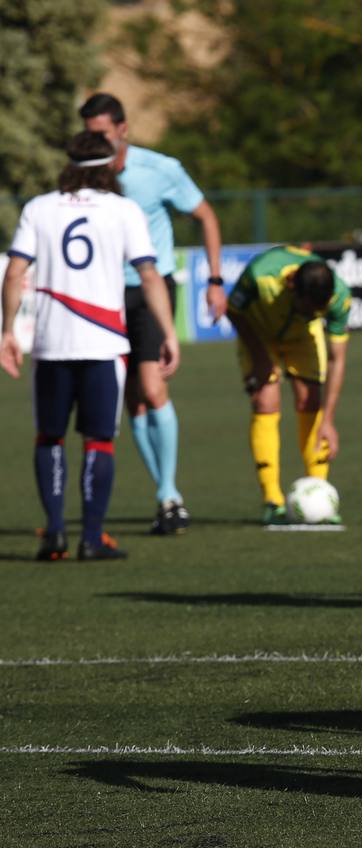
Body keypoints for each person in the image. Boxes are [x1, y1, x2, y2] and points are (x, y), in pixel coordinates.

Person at [2, 131, 180, 560]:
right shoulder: (124, 210)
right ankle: (92, 537)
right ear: (110, 165)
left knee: (50, 437)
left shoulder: (39, 208)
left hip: (52, 343)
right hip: (103, 344)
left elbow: (14, 273)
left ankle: (56, 534)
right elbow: (150, 274)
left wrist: (7, 331)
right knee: (98, 441)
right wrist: (168, 332)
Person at [79, 93, 225, 536]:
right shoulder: (84, 174)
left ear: (122, 129)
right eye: (88, 136)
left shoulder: (159, 169)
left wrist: (215, 281)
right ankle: (166, 496)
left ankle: (169, 493)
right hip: (102, 294)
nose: (95, 143)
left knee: (150, 384)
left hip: (150, 289)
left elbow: (206, 215)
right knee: (130, 400)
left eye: (102, 134)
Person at [226, 245, 352, 524]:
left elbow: (336, 360)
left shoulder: (339, 297)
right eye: (307, 311)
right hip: (259, 334)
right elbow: (233, 309)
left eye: (316, 315)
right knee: (265, 401)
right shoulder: (260, 276)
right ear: (292, 287)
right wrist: (259, 355)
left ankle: (319, 494)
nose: (311, 316)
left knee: (310, 401)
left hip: (301, 340)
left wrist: (329, 419)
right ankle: (272, 500)